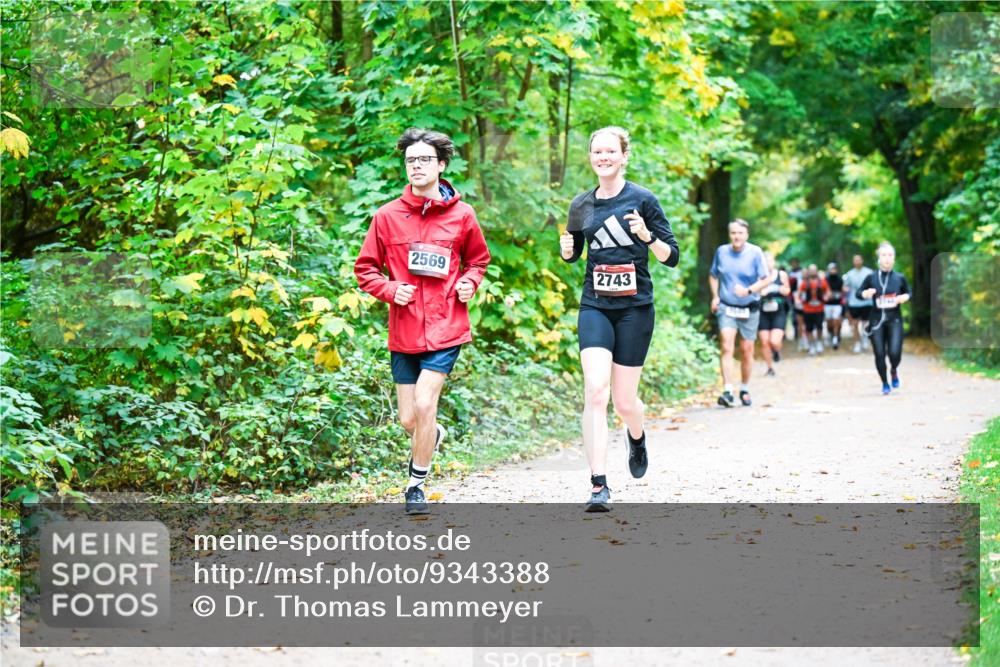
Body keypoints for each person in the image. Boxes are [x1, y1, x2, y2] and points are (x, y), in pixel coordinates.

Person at [355, 128, 491, 514]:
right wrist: (388, 289)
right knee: (408, 419)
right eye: (411, 160)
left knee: (425, 400)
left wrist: (468, 282)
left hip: (446, 323)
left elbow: (478, 260)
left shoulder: (463, 215)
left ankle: (415, 485)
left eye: (424, 160)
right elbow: (365, 269)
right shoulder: (386, 217)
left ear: (441, 165)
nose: (416, 166)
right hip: (405, 329)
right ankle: (433, 436)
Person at [559, 126, 679, 512]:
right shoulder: (581, 205)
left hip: (634, 308)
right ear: (591, 157)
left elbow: (671, 256)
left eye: (611, 151)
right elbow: (575, 252)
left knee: (625, 401)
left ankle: (637, 433)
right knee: (595, 390)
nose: (604, 157)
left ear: (624, 156)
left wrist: (647, 236)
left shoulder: (643, 199)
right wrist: (566, 251)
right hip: (595, 305)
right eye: (598, 152)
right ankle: (598, 484)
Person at [709, 219, 771, 408]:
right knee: (726, 345)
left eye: (740, 233)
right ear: (730, 235)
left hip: (749, 307)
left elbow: (766, 279)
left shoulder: (755, 253)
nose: (736, 236)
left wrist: (749, 290)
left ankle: (744, 388)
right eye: (733, 233)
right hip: (727, 306)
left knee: (747, 350)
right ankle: (728, 391)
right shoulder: (722, 252)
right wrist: (715, 297)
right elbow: (713, 275)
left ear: (747, 235)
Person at [856, 242, 910, 395]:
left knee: (895, 353)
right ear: (878, 259)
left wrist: (904, 297)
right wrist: (865, 294)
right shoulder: (871, 277)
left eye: (890, 255)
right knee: (879, 353)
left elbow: (909, 292)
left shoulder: (900, 278)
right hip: (876, 320)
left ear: (894, 259)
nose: (887, 259)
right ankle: (885, 383)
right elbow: (858, 293)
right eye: (884, 255)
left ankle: (893, 370)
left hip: (895, 320)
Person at [757, 252, 791, 376]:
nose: (767, 264)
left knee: (774, 341)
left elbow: (787, 290)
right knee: (764, 341)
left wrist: (778, 289)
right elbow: (754, 291)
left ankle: (776, 351)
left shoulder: (781, 275)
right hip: (763, 311)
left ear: (774, 262)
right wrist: (761, 291)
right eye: (765, 262)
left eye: (770, 261)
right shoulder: (758, 276)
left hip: (778, 310)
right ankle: (770, 368)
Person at [843, 254, 874, 353]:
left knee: (866, 323)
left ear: (862, 260)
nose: (857, 262)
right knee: (855, 324)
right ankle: (857, 343)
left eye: (859, 260)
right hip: (854, 302)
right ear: (853, 262)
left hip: (867, 302)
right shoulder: (849, 274)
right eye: (855, 260)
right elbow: (845, 287)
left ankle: (865, 338)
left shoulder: (869, 272)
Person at [797, 264, 830, 355]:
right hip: (808, 309)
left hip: (819, 309)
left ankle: (819, 342)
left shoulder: (822, 282)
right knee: (809, 328)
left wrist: (826, 297)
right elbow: (799, 294)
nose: (813, 272)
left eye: (814, 270)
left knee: (819, 327)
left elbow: (828, 292)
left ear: (817, 271)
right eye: (811, 270)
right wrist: (800, 301)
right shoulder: (804, 283)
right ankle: (811, 345)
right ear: (809, 271)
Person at [824, 262, 846, 350]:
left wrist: (843, 293)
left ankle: (835, 338)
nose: (833, 271)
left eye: (834, 269)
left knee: (836, 320)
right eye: (831, 269)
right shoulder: (825, 280)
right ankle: (831, 333)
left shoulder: (840, 280)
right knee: (829, 322)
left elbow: (842, 290)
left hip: (837, 304)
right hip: (828, 304)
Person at [787, 258, 807, 350]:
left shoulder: (804, 274)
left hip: (805, 300)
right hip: (795, 299)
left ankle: (806, 339)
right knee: (797, 320)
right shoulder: (790, 273)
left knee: (806, 322)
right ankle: (799, 338)